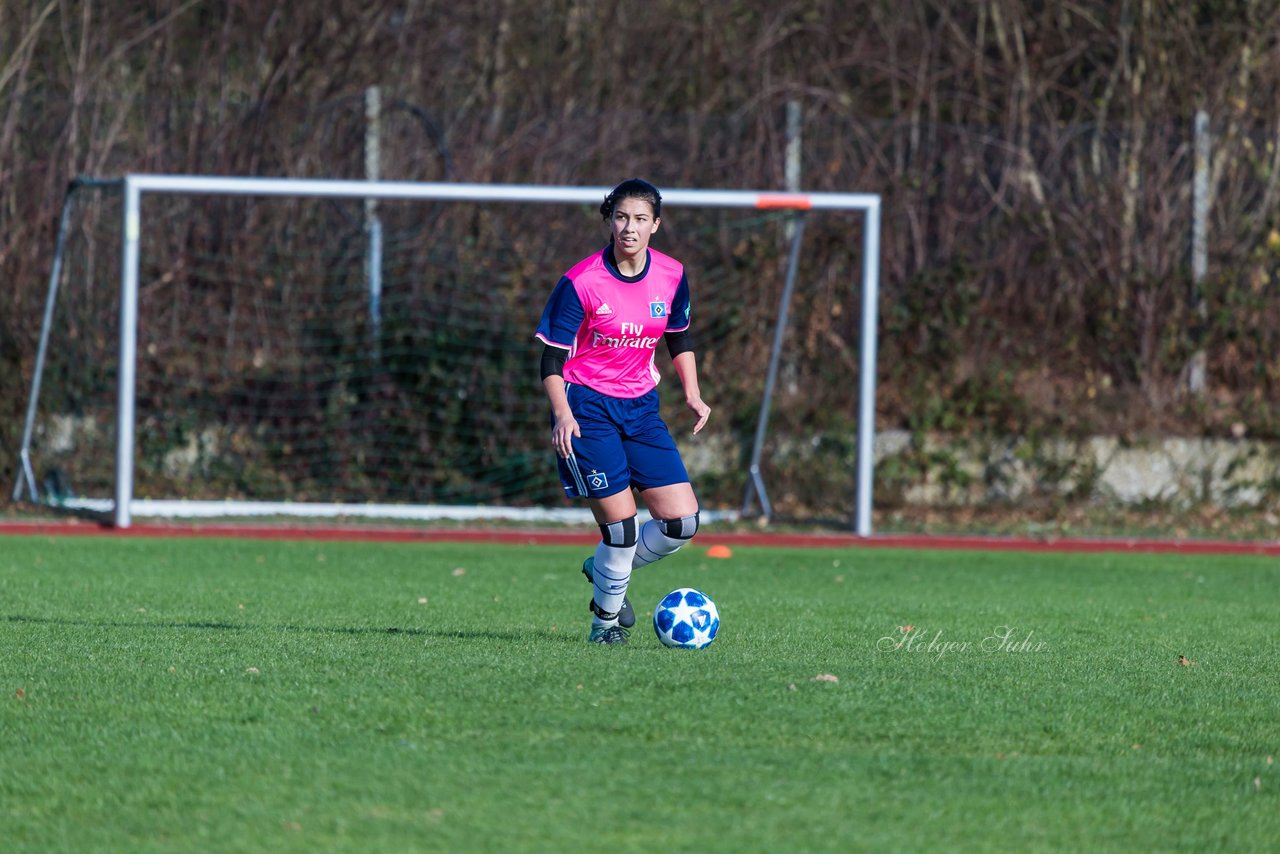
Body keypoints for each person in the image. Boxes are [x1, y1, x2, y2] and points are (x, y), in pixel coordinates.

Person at [535, 178, 711, 645]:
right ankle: (604, 626)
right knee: (621, 529)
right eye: (620, 217)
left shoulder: (672, 274)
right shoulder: (581, 281)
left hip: (641, 408)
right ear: (609, 220)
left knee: (682, 523)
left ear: (656, 224)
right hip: (587, 409)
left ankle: (604, 571)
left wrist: (692, 392)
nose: (628, 227)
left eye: (638, 219)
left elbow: (679, 335)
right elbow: (551, 358)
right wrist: (562, 414)